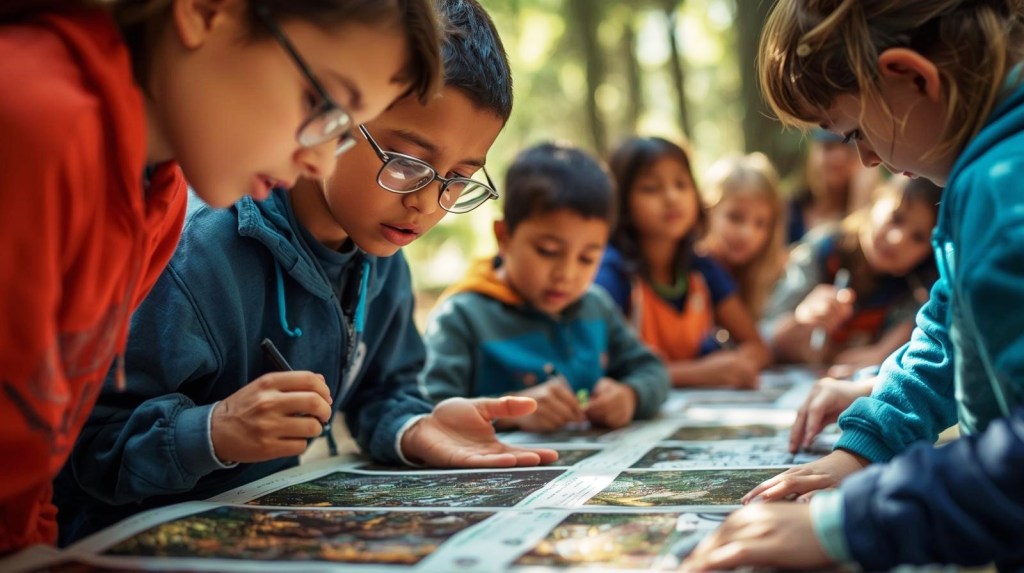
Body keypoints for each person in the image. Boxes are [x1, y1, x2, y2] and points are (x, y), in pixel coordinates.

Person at [52, 0, 554, 545]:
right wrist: (212, 434)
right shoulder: (197, 250)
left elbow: (386, 389)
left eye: (458, 178)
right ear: (337, 110)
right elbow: (86, 446)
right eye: (407, 161)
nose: (428, 203)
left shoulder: (381, 257)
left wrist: (413, 427)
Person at [0, 0, 442, 553]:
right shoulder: (34, 122)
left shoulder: (155, 196)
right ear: (207, 11)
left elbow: (32, 459)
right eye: (321, 104)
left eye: (343, 133)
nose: (322, 162)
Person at [683, 1, 1024, 570]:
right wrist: (863, 450)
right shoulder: (989, 173)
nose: (868, 160)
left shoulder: (1002, 188)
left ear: (911, 76)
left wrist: (849, 522)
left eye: (858, 131)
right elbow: (947, 335)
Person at [420, 142, 669, 433]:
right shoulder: (461, 317)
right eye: (548, 251)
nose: (566, 274)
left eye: (587, 258)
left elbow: (653, 370)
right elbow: (427, 410)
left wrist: (631, 395)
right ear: (504, 236)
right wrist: (508, 412)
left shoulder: (595, 307)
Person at [595, 137, 771, 389]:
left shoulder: (702, 269)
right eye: (651, 188)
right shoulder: (612, 273)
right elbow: (606, 366)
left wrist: (737, 364)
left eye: (681, 184)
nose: (671, 198)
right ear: (621, 200)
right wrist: (700, 373)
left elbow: (756, 346)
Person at [761, 178, 941, 373]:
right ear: (874, 202)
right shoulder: (821, 250)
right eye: (896, 218)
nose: (897, 239)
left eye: (919, 237)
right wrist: (801, 319)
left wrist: (883, 352)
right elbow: (764, 335)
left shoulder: (918, 289)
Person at [698, 152, 786, 320]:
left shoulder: (775, 275)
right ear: (708, 211)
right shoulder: (694, 272)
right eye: (735, 217)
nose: (747, 234)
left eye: (761, 223)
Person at [786, 128, 878, 244]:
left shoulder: (877, 217)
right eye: (828, 148)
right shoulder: (789, 208)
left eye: (849, 153)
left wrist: (860, 205)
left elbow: (853, 253)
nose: (836, 159)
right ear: (811, 153)